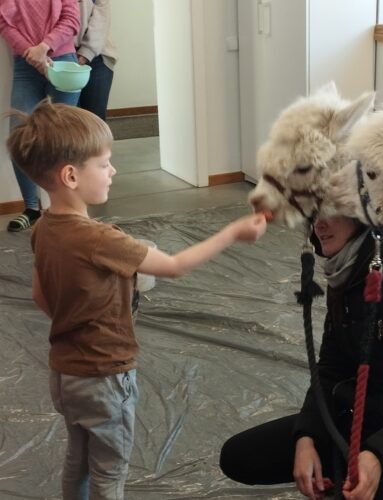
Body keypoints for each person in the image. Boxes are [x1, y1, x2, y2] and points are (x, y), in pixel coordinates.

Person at [5, 101, 268, 499]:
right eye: (105, 163)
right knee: (109, 473)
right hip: (105, 377)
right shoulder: (100, 239)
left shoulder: (44, 230)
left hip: (64, 374)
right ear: (71, 175)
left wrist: (77, 318)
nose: (113, 171)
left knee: (78, 459)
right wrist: (231, 233)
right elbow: (176, 265)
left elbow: (40, 295)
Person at [220, 216, 383, 500]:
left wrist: (377, 457)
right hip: (358, 423)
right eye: (314, 212)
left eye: (331, 210)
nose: (319, 224)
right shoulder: (348, 270)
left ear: (361, 215)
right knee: (240, 456)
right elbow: (329, 369)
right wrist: (307, 437)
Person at [0, 0, 81, 232]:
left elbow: (71, 19)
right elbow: (3, 22)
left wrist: (44, 46)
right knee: (20, 136)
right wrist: (31, 52)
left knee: (65, 140)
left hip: (63, 60)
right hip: (25, 63)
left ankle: (68, 210)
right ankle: (32, 209)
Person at [76, 0, 118, 121]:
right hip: (59, 55)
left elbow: (102, 15)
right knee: (69, 123)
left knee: (95, 120)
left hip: (98, 55)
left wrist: (86, 52)